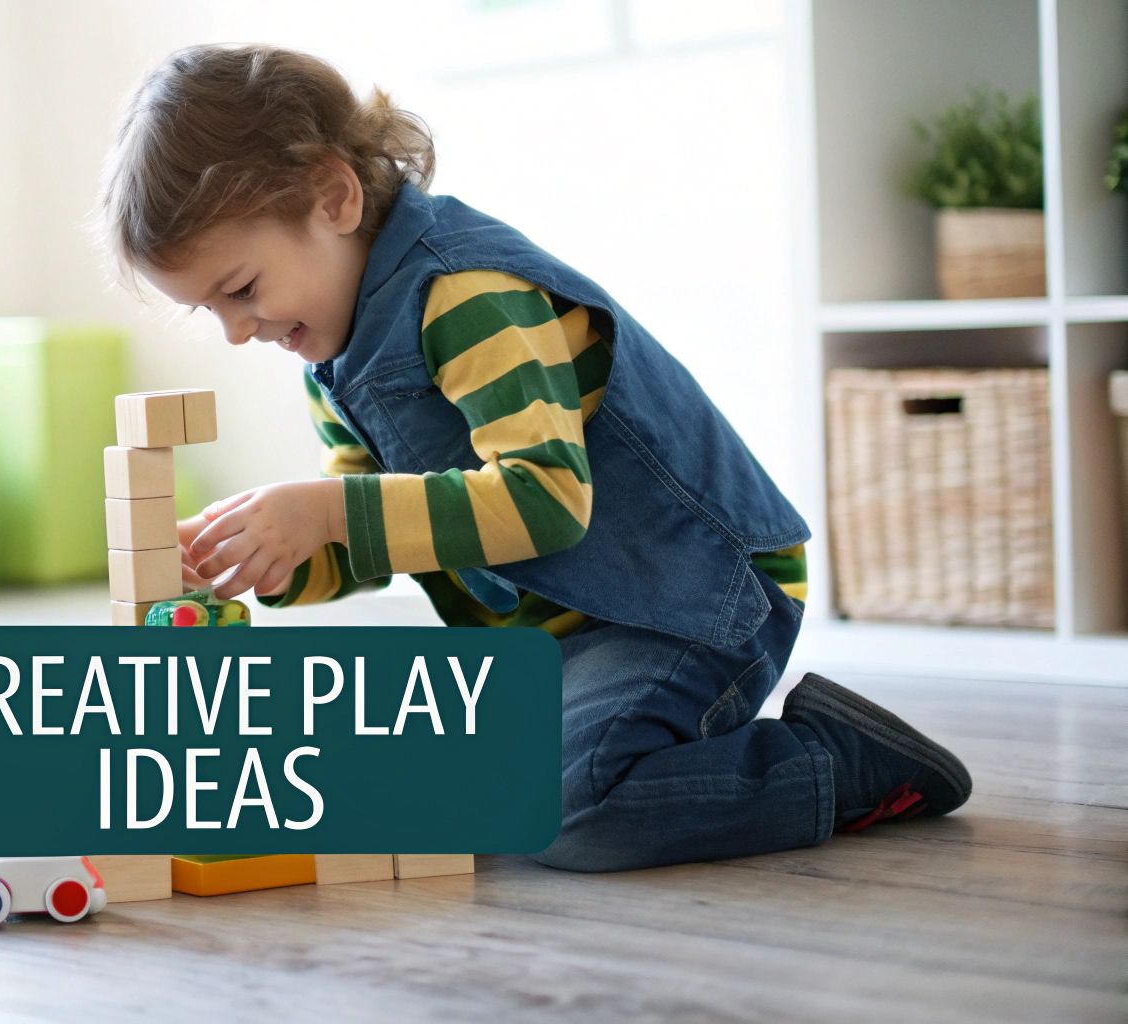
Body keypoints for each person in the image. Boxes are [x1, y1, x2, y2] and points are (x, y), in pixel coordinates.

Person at [97, 44, 970, 871]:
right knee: (427, 765)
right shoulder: (331, 353)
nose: (237, 332)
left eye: (242, 290)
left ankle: (833, 760)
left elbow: (544, 501)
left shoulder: (468, 296)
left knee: (566, 807)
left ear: (333, 197)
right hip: (560, 634)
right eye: (209, 310)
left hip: (695, 598)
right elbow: (377, 529)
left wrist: (324, 512)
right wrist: (266, 554)